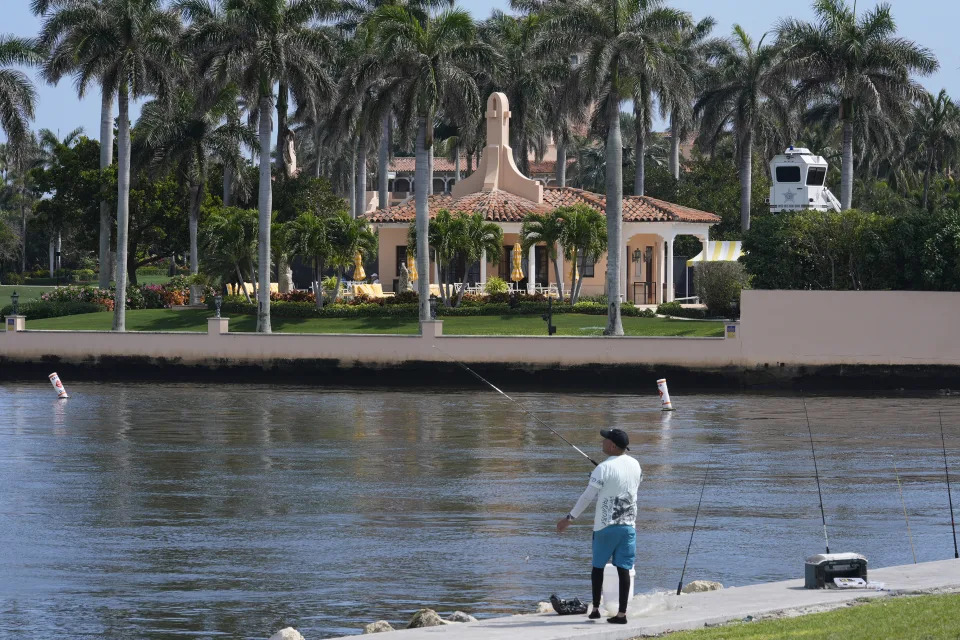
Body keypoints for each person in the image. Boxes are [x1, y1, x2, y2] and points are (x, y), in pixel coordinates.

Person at [556, 428, 642, 624]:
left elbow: (587, 497)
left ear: (612, 445)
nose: (602, 442)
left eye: (605, 440)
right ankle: (621, 614)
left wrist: (569, 518)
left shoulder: (602, 468)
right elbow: (633, 483)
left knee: (598, 568)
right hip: (628, 527)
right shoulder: (636, 464)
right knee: (624, 569)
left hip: (605, 527)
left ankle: (595, 610)